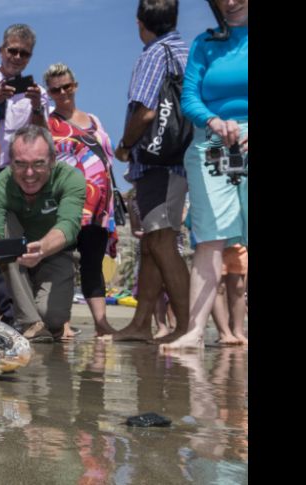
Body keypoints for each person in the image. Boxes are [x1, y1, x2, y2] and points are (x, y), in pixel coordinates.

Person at [161, 0, 248, 351]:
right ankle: (194, 331)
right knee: (209, 239)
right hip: (211, 145)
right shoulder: (204, 42)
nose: (229, 1)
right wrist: (213, 120)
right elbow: (190, 97)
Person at [112, 0, 190, 343]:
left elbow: (145, 111)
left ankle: (187, 326)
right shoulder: (185, 50)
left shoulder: (155, 54)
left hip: (158, 162)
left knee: (160, 240)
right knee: (150, 245)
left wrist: (125, 145)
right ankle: (141, 324)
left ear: (140, 22)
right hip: (178, 157)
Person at [0, 124, 86, 342]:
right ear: (10, 162)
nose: (29, 174)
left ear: (53, 160)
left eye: (38, 164)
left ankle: (46, 320)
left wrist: (43, 249)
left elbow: (70, 225)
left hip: (56, 252)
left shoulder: (72, 179)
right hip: (15, 255)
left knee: (54, 318)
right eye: (20, 164)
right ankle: (29, 322)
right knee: (4, 232)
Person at [0, 23, 49, 326]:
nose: (17, 57)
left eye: (24, 54)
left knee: (11, 243)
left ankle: (11, 315)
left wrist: (36, 107)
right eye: (13, 51)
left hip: (18, 174)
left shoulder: (38, 93)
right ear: (1, 50)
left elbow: (43, 137)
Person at [44, 62, 119, 338]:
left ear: (75, 85)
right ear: (49, 93)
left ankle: (101, 323)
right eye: (56, 89)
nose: (63, 93)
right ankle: (61, 321)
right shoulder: (47, 123)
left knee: (92, 262)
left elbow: (107, 161)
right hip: (67, 201)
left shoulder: (95, 119)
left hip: (99, 204)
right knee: (60, 260)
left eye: (67, 86)